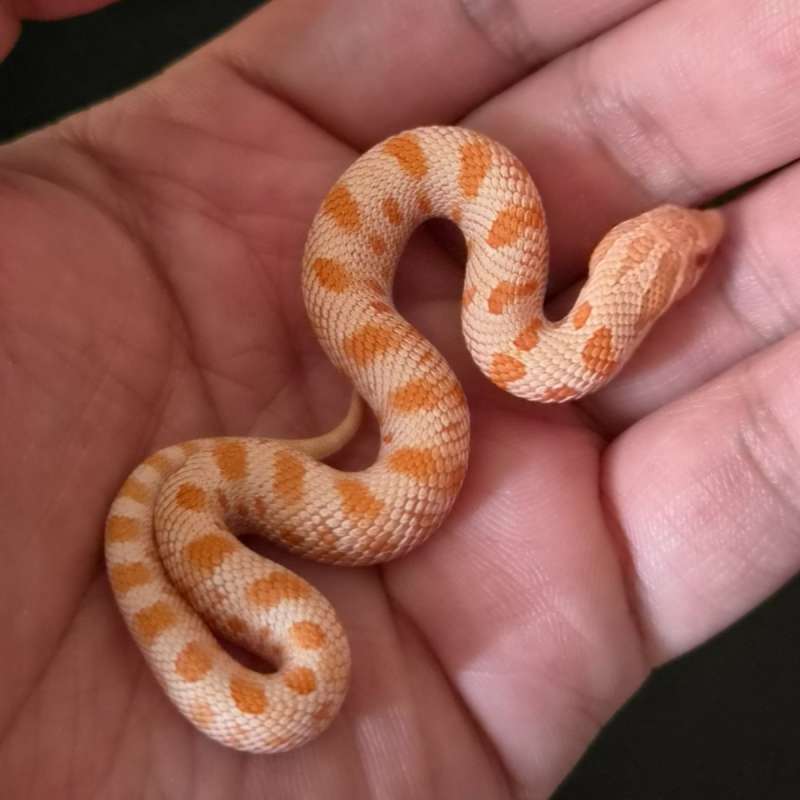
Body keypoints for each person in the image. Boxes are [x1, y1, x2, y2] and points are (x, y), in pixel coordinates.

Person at [2, 1, 798, 797]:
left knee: (182, 510)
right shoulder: (509, 285)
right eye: (689, 262)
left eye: (686, 260)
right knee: (198, 532)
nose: (704, 241)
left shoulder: (524, 329)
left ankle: (171, 509)